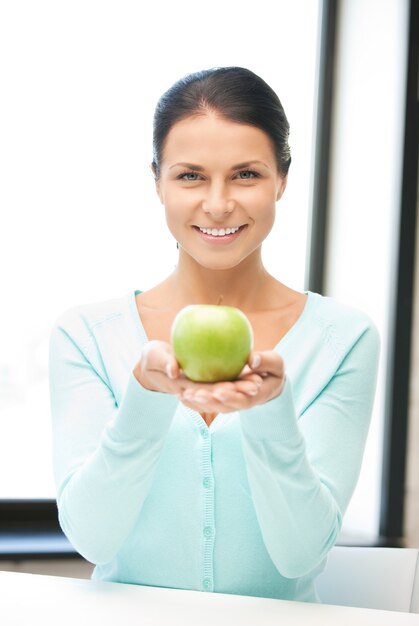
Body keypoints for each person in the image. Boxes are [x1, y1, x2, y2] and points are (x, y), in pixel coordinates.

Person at [48, 66, 380, 603]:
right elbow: (92, 538)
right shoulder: (86, 335)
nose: (219, 203)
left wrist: (270, 407)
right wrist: (147, 395)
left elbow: (301, 554)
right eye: (190, 176)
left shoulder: (344, 337)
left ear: (282, 179)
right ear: (157, 180)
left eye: (246, 174)